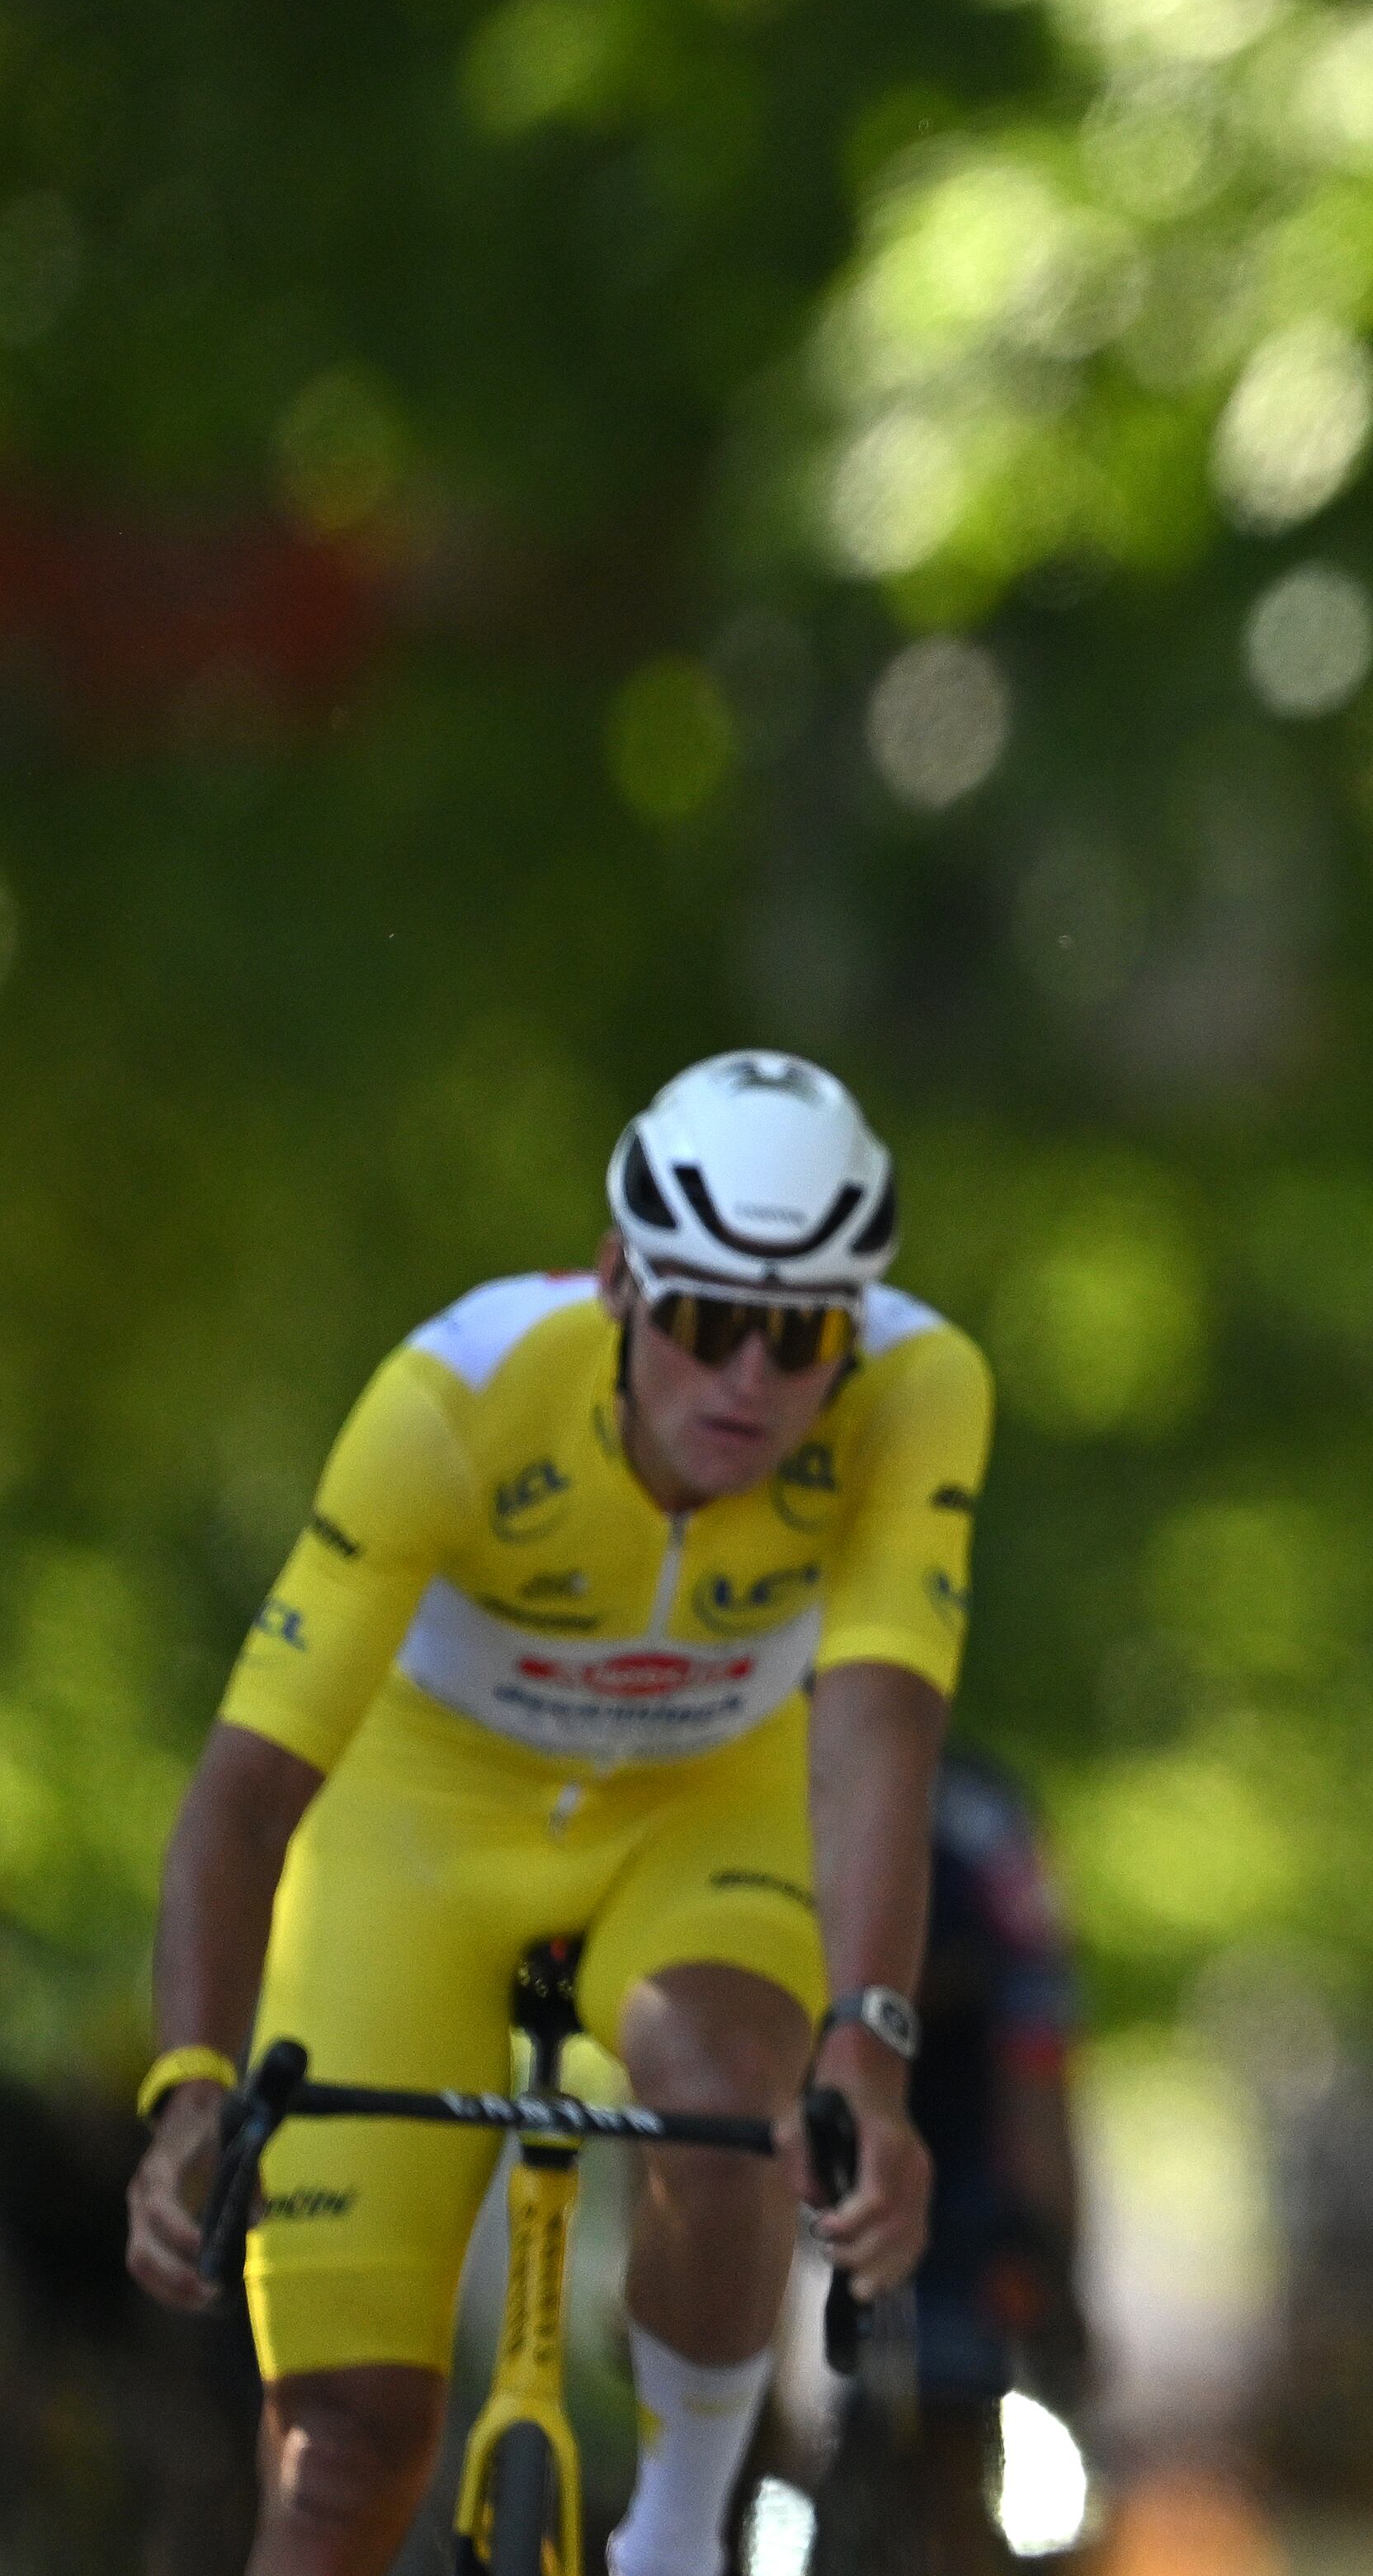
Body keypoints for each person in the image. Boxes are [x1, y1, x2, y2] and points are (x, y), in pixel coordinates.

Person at [122, 1052, 988, 2576]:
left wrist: (871, 2056)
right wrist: (191, 2085)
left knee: (728, 2076)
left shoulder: (924, 1392)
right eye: (708, 1320)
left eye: (803, 1341)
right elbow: (248, 1787)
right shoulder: (454, 1395)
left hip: (705, 1813)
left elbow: (876, 1737)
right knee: (344, 2451)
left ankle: (677, 2531)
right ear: (617, 1281)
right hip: (423, 1820)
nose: (749, 1380)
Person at [806, 1746, 1087, 2574]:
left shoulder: (981, 1819)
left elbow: (1034, 2045)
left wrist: (1049, 2244)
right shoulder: (983, 1812)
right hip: (818, 2145)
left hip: (957, 2178)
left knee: (952, 2435)